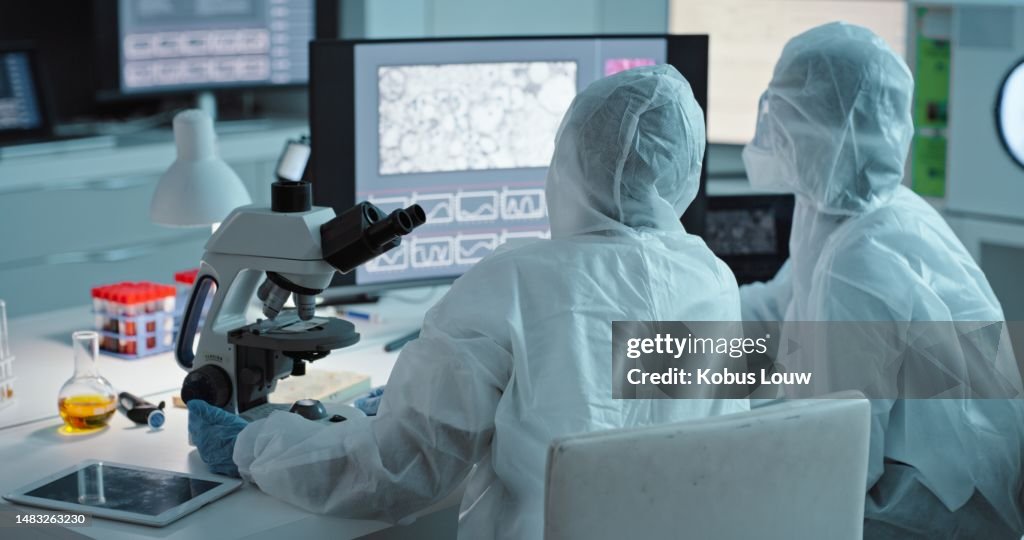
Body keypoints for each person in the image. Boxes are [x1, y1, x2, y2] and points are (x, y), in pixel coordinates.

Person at [188, 64, 747, 539]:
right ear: (682, 172)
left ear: (571, 162)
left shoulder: (518, 281)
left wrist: (255, 445)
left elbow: (396, 473)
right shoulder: (713, 279)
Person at [739, 22, 1024, 538]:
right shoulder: (842, 211)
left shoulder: (862, 259)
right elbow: (779, 309)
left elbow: (841, 461)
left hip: (933, 504)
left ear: (817, 130)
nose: (771, 126)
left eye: (783, 112)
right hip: (907, 463)